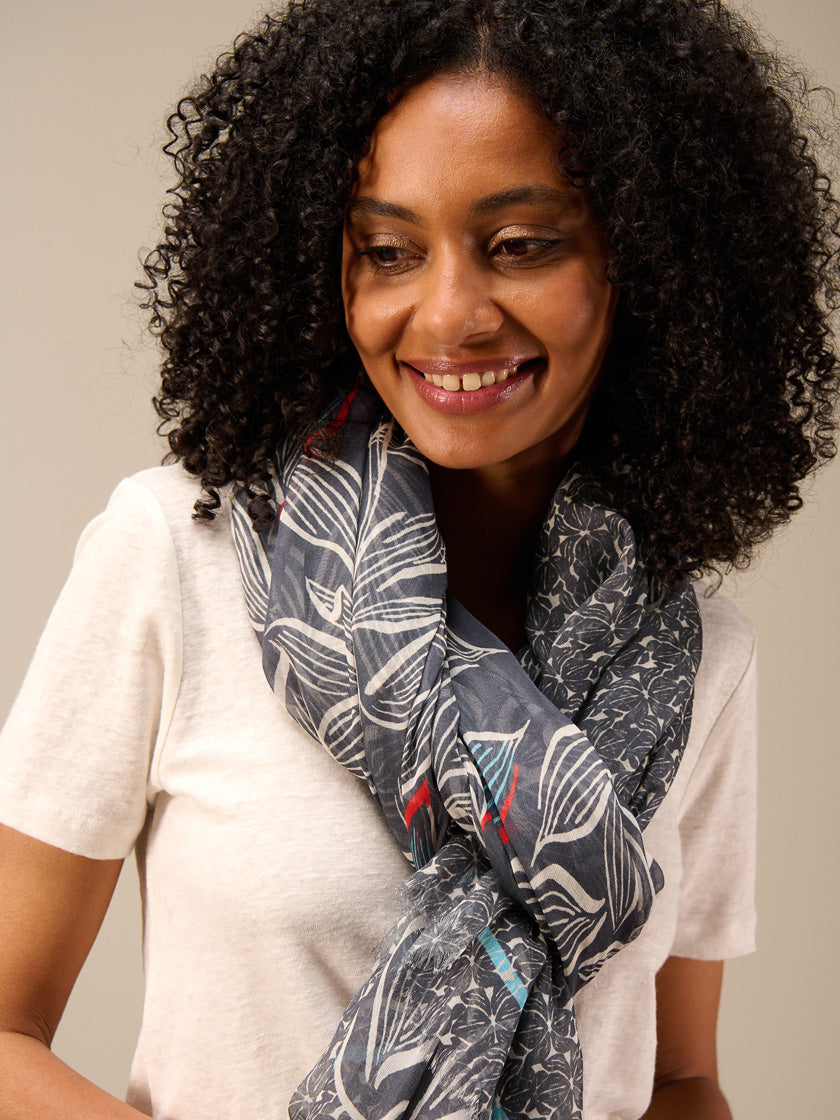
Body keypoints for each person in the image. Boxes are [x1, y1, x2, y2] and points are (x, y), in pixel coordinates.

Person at [0, 1, 837, 1118]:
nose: (448, 316)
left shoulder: (689, 658)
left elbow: (680, 1079)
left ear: (646, 258)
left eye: (521, 245)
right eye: (388, 253)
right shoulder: (175, 559)